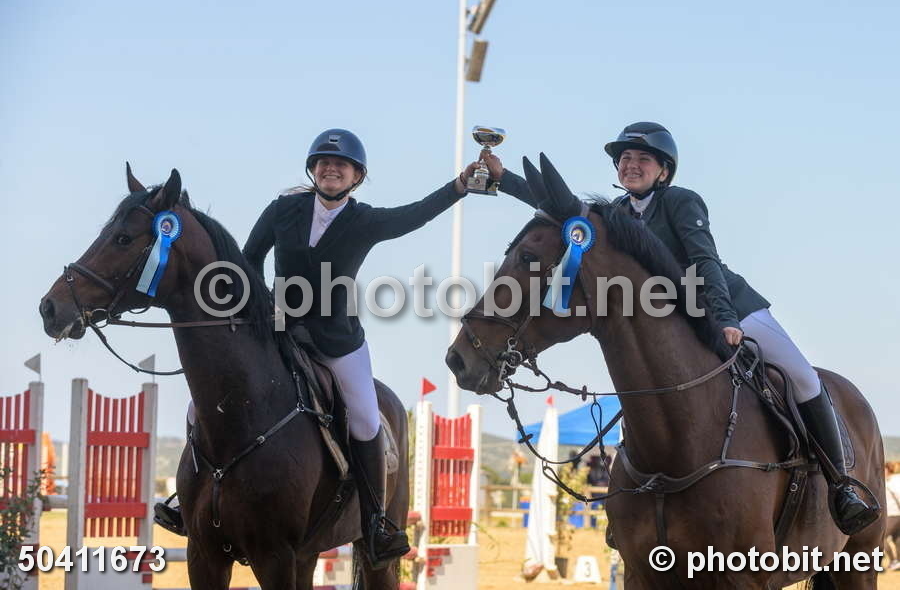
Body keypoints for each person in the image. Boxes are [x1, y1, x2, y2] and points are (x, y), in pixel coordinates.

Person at [471, 122, 878, 536]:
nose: (631, 165)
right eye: (625, 158)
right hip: (672, 318)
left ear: (663, 170)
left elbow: (705, 260)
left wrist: (725, 318)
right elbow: (564, 209)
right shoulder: (616, 214)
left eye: (642, 159)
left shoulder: (681, 202)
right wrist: (503, 179)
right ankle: (635, 501)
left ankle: (842, 486)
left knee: (802, 376)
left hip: (726, 304)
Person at [156, 129, 469, 568]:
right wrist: (257, 308)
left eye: (341, 164)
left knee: (365, 418)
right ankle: (189, 500)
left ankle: (376, 523)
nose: (330, 168)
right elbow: (249, 260)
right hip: (278, 333)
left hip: (337, 342)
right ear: (312, 170)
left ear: (357, 176)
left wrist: (459, 186)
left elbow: (415, 214)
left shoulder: (365, 220)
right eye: (323, 162)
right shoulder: (283, 210)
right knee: (199, 406)